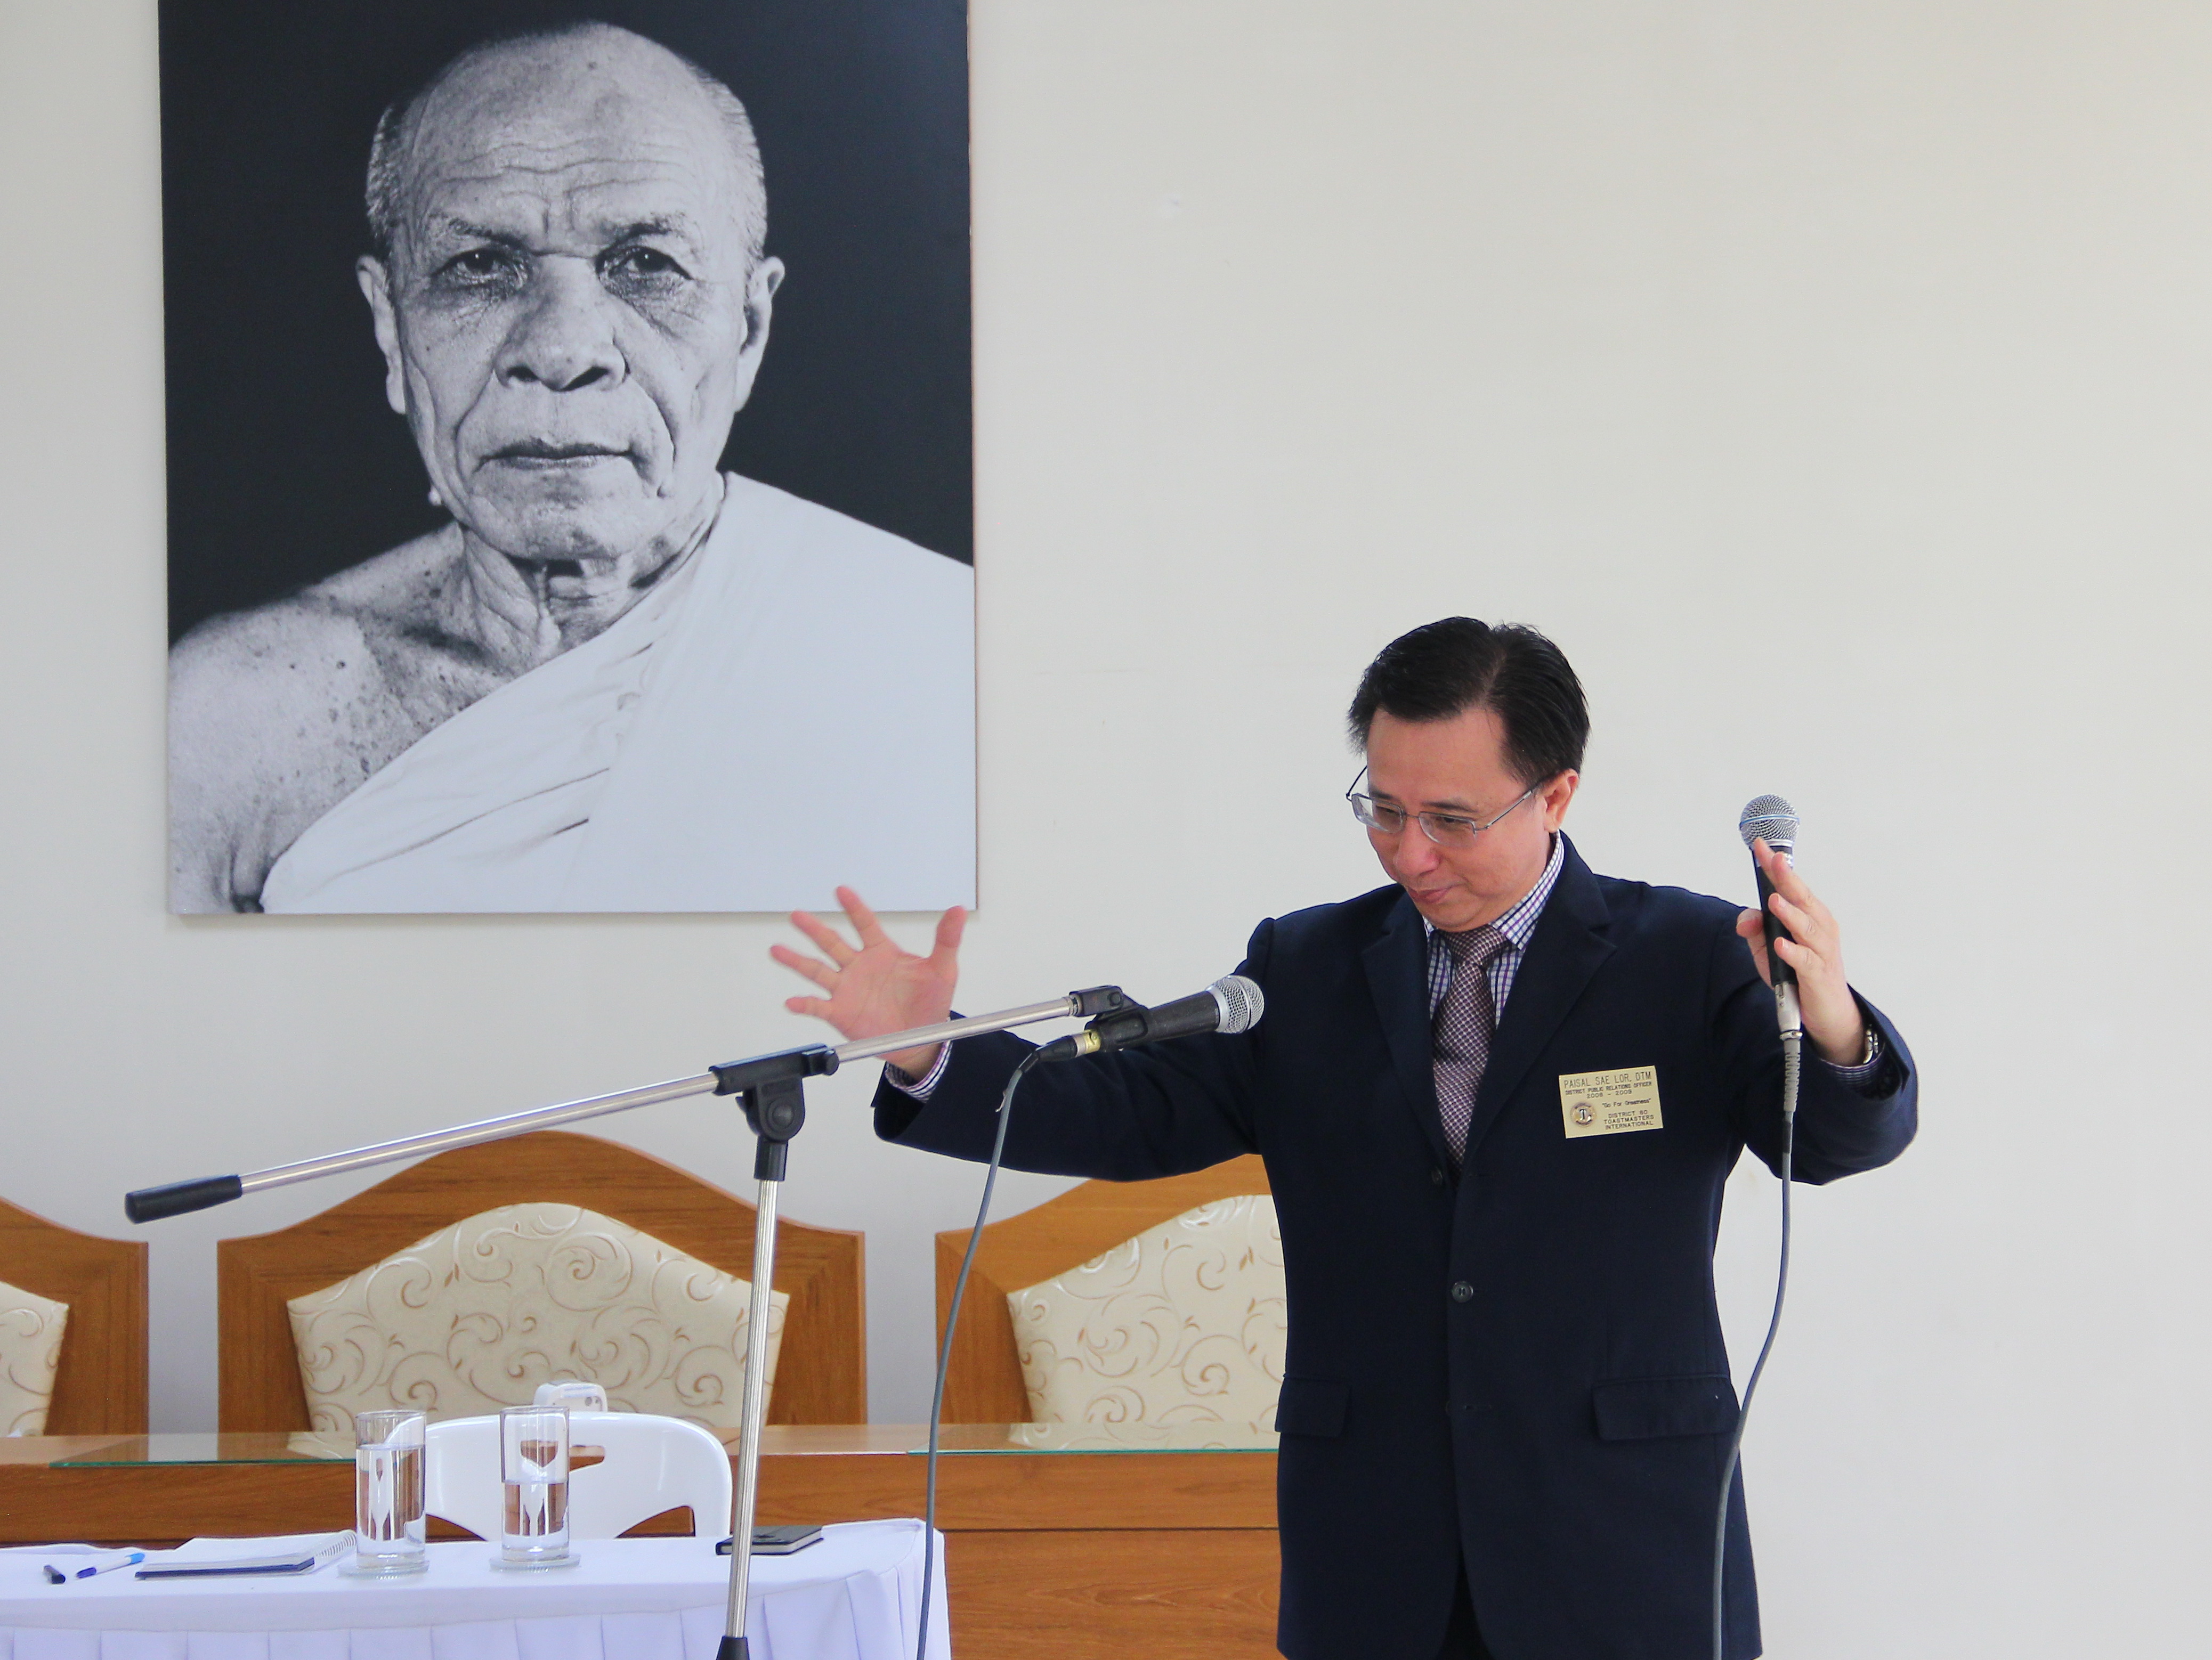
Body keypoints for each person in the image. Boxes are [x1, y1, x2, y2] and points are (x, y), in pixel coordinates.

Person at [772, 617, 1917, 1660]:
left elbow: (1829, 1141)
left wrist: (1833, 1022)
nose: (1410, 853)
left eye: (1452, 820)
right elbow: (1131, 1107)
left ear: (1556, 794)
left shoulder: (1687, 955)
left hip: (1622, 1544)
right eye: (1384, 809)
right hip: (1377, 1551)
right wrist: (928, 1051)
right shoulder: (1306, 966)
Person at [168, 22, 973, 914]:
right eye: (480, 266)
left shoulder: (941, 656)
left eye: (647, 265)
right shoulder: (233, 723)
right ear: (391, 329)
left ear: (749, 331)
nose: (561, 350)